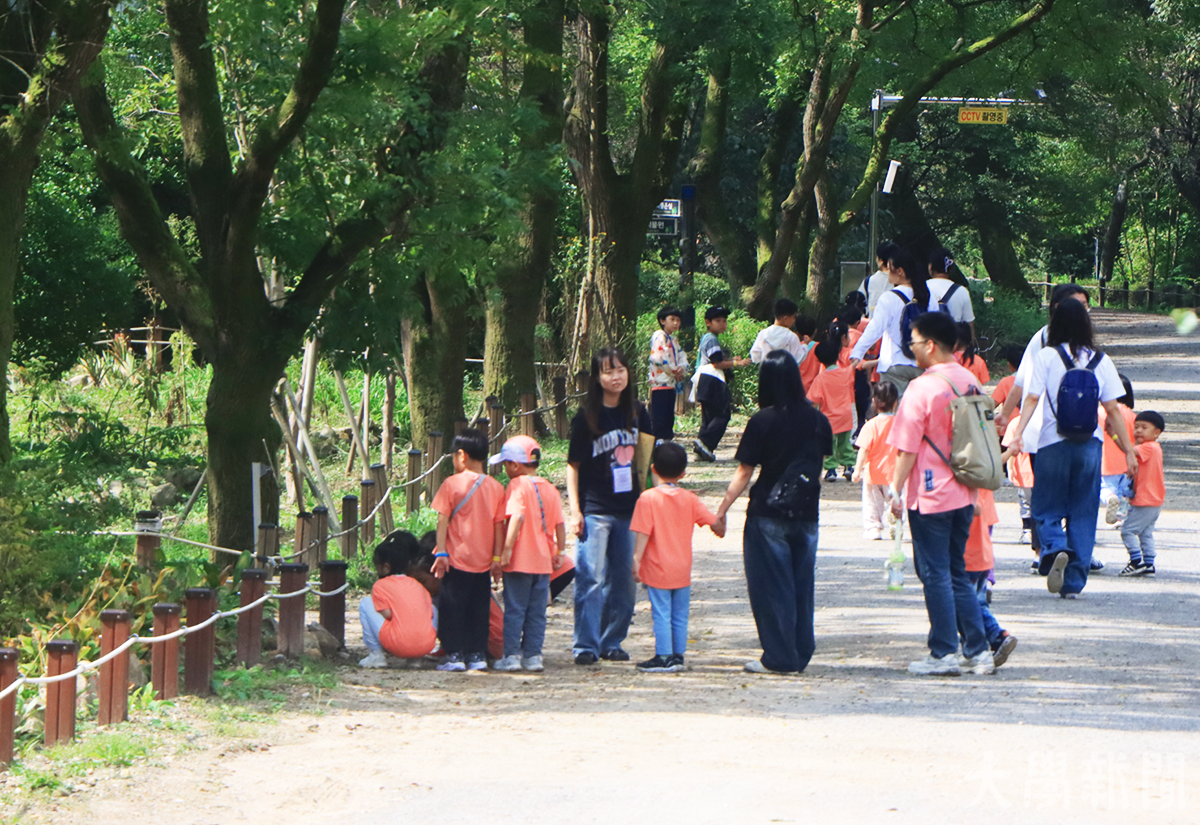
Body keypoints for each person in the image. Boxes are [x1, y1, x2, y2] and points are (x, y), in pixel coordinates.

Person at [886, 312, 992, 676]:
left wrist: (894, 490)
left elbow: (907, 448)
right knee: (956, 571)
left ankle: (944, 652)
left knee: (935, 574)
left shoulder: (922, 388)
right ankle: (978, 651)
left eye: (914, 343)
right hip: (965, 490)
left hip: (931, 493)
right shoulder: (971, 381)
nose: (912, 349)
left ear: (930, 345)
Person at [1009, 298, 1137, 598]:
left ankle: (1054, 547)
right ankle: (1073, 583)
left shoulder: (1046, 357)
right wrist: (1129, 449)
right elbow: (1114, 410)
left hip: (1053, 442)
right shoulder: (1100, 360)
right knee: (1083, 511)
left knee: (1045, 507)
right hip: (1089, 446)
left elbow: (1030, 399)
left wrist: (1018, 434)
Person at [715, 350, 833, 674]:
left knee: (771, 587)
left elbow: (744, 472)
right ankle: (800, 649)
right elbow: (818, 469)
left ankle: (779, 656)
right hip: (807, 514)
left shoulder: (762, 420)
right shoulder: (818, 420)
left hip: (767, 512)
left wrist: (723, 509)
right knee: (800, 584)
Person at [567, 347, 655, 665]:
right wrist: (575, 510)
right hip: (595, 507)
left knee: (623, 581)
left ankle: (612, 641)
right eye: (607, 371)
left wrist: (654, 504)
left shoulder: (638, 412)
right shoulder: (586, 417)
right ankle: (585, 645)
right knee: (589, 577)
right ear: (597, 377)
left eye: (620, 370)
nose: (615, 376)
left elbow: (646, 461)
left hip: (630, 509)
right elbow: (572, 465)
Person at [630, 442, 725, 672]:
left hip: (657, 567)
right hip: (682, 568)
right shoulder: (690, 499)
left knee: (661, 613)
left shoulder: (648, 499)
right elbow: (715, 525)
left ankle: (663, 656)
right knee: (680, 614)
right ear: (683, 473)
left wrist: (636, 559)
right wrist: (722, 516)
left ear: (653, 468)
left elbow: (643, 532)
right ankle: (678, 655)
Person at [430, 428, 506, 672]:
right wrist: (496, 558)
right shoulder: (496, 488)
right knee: (478, 609)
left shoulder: (451, 484)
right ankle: (477, 654)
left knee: (452, 608)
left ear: (461, 455)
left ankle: (454, 655)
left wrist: (441, 552)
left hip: (456, 559)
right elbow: (498, 526)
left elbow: (443, 520)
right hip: (483, 562)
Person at [491, 436, 566, 672]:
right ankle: (533, 656)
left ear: (515, 465)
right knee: (537, 612)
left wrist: (506, 551)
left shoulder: (517, 485)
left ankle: (511, 655)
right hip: (543, 562)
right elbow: (560, 524)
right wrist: (560, 551)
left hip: (520, 561)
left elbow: (517, 517)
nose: (505, 469)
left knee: (515, 610)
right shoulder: (551, 488)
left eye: (505, 464)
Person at [849, 248, 930, 397]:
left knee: (894, 415)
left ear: (899, 271)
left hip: (894, 363)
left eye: (890, 268)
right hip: (922, 363)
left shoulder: (889, 298)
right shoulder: (927, 295)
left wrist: (857, 352)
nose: (887, 272)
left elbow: (875, 328)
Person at [358, 531, 439, 668]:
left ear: (386, 567)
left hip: (398, 644)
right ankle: (416, 659)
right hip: (427, 646)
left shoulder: (380, 585)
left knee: (366, 603)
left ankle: (376, 655)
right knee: (432, 609)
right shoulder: (417, 584)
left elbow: (388, 614)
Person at [963, 488, 1018, 668]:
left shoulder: (963, 492)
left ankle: (994, 637)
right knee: (977, 601)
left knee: (965, 602)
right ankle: (982, 643)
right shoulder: (982, 481)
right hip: (982, 557)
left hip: (968, 558)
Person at [692, 306, 749, 462]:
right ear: (708, 322)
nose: (722, 324)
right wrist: (737, 364)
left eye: (724, 321)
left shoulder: (707, 338)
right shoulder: (711, 339)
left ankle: (702, 450)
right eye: (718, 321)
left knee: (709, 416)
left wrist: (732, 361)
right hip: (712, 379)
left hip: (704, 379)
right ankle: (704, 442)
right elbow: (717, 362)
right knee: (722, 413)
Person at [1119, 411, 1165, 577]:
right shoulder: (1155, 448)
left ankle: (1136, 560)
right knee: (1145, 532)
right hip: (1155, 499)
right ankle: (1149, 562)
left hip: (1146, 499)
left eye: (1144, 427)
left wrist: (1114, 436)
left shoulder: (1148, 447)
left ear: (1156, 432)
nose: (1138, 431)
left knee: (1128, 531)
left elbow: (1128, 450)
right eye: (1136, 427)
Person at [852, 382, 899, 540]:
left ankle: (873, 528)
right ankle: (896, 521)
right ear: (896, 402)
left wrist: (857, 470)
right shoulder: (900, 424)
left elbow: (863, 450)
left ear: (874, 401)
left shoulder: (870, 426)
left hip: (873, 472)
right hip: (895, 472)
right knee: (896, 499)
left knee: (872, 503)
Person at [807, 337, 855, 481]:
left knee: (828, 447)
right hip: (846, 417)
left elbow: (813, 401)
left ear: (820, 360)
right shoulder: (846, 373)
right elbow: (854, 365)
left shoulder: (820, 379)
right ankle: (849, 467)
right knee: (845, 444)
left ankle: (832, 470)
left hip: (829, 420)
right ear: (838, 355)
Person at [1099, 375, 1136, 525]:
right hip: (1127, 461)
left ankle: (1109, 499)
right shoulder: (1131, 414)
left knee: (1105, 488)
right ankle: (1120, 517)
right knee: (1122, 490)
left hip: (1106, 461)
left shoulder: (1099, 412)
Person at [648, 306, 688, 441]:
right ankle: (658, 441)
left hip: (671, 383)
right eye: (672, 319)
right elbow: (658, 358)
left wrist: (681, 368)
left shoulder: (674, 339)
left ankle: (666, 440)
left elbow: (682, 356)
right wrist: (673, 371)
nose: (676, 323)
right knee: (659, 415)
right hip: (660, 381)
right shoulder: (659, 336)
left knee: (668, 415)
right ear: (662, 320)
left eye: (678, 320)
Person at [926, 247, 976, 337]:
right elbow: (969, 326)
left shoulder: (921, 288)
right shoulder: (962, 291)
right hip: (952, 346)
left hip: (926, 346)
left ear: (930, 267)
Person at [749, 298, 806, 365]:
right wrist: (805, 345)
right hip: (785, 373)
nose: (794, 320)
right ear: (785, 318)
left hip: (767, 372)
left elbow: (755, 357)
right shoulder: (791, 337)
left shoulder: (763, 334)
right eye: (794, 317)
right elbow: (798, 358)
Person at [859, 241, 899, 317]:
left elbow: (859, 307)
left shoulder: (869, 281)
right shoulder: (903, 281)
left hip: (873, 325)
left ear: (880, 260)